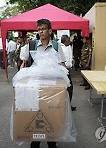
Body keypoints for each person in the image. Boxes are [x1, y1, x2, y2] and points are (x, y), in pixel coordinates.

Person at [20, 19, 66, 148]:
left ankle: (52, 142)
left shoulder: (57, 46)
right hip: (34, 88)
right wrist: (19, 82)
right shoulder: (31, 45)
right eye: (39, 29)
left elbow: (62, 65)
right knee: (35, 115)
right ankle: (35, 142)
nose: (40, 31)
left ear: (50, 31)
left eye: (43, 29)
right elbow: (23, 64)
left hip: (53, 89)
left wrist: (64, 84)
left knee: (52, 115)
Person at [60, 35, 76, 111]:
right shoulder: (60, 48)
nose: (70, 41)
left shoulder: (68, 47)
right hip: (63, 70)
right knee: (68, 88)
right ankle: (66, 106)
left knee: (69, 88)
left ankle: (68, 105)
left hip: (68, 69)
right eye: (69, 40)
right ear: (65, 41)